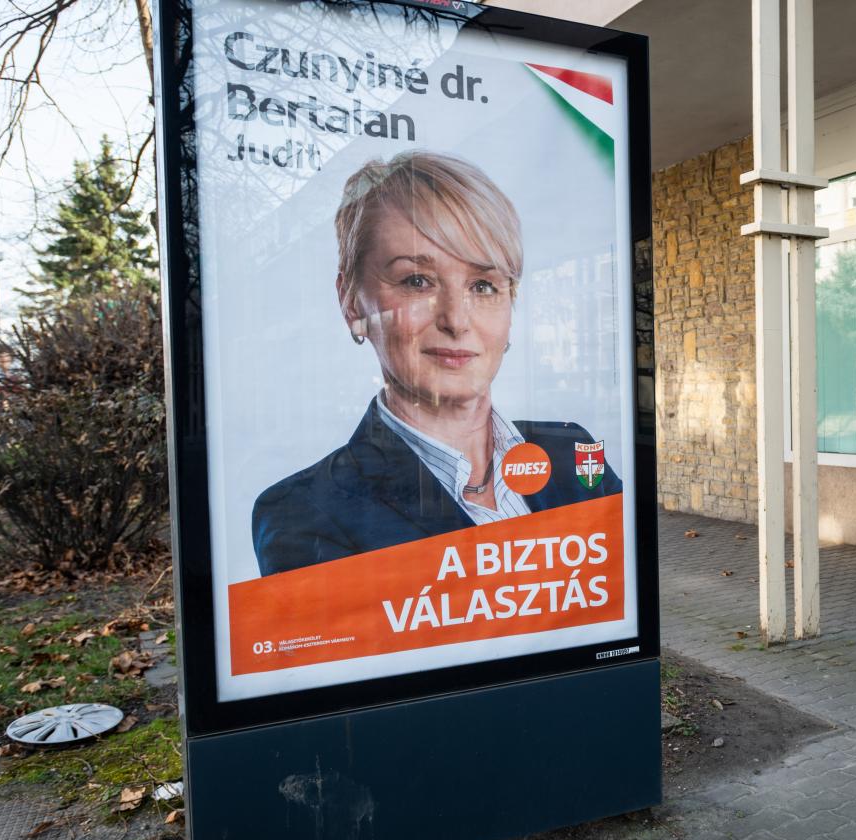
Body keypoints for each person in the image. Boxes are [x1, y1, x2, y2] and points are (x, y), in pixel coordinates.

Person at [252, 150, 621, 577]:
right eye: (417, 281)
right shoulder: (304, 511)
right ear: (352, 302)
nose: (456, 320)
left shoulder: (573, 453)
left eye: (483, 286)